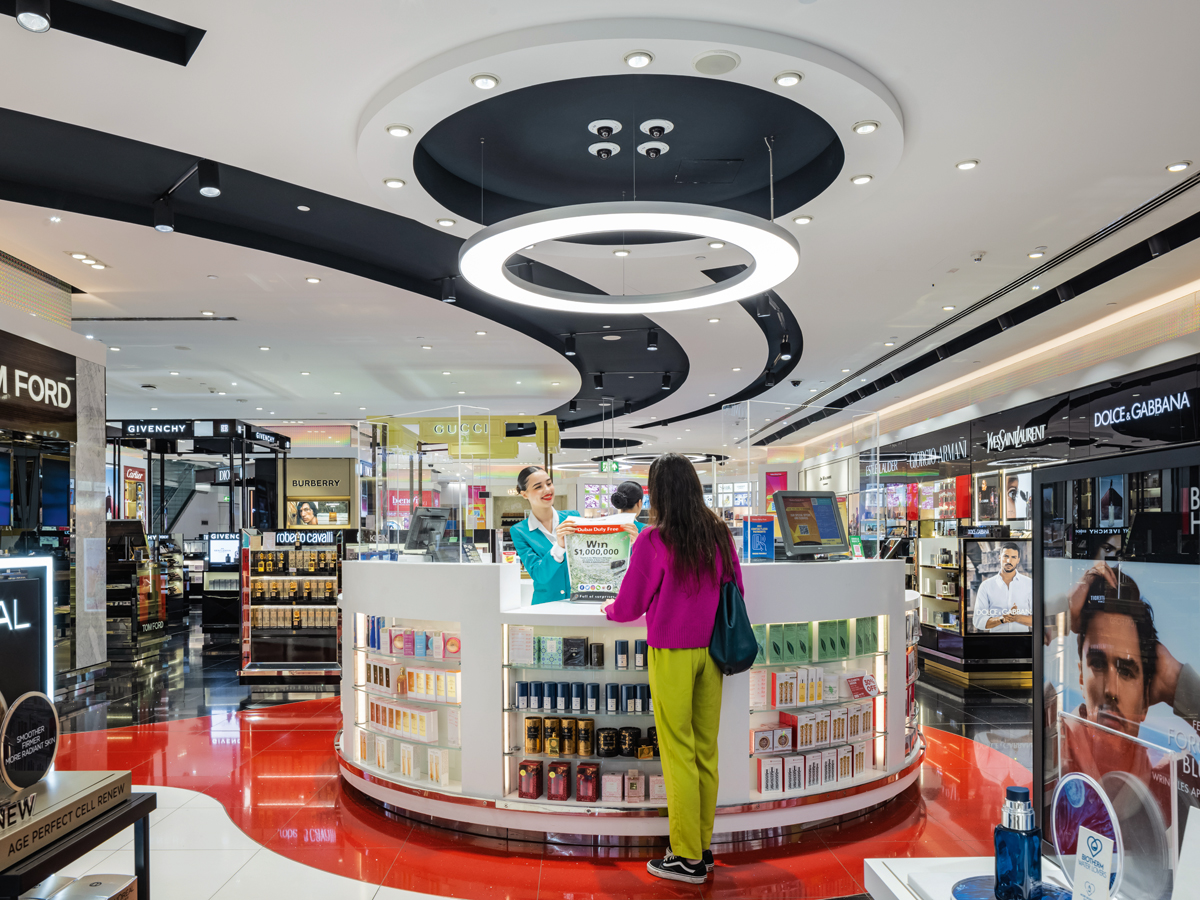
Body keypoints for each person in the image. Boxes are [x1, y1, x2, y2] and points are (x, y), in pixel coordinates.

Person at [602, 453, 744, 884]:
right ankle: (701, 846)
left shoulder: (653, 540)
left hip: (672, 651)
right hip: (713, 654)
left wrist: (608, 610)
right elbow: (736, 588)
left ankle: (685, 858)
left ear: (657, 492)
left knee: (677, 750)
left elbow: (629, 606)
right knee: (705, 750)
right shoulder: (719, 533)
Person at [508, 465, 580, 605]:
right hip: (545, 606)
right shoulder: (520, 531)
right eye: (538, 487)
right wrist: (559, 546)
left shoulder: (573, 518)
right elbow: (539, 575)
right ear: (524, 494)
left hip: (578, 604)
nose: (547, 490)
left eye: (549, 483)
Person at [972, 542, 1032, 632]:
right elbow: (978, 621)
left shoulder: (1029, 584)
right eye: (1006, 556)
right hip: (996, 641)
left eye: (1013, 557)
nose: (1009, 561)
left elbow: (1038, 619)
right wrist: (1001, 619)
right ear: (999, 558)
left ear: (1018, 560)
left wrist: (1015, 618)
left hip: (1022, 641)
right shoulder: (986, 586)